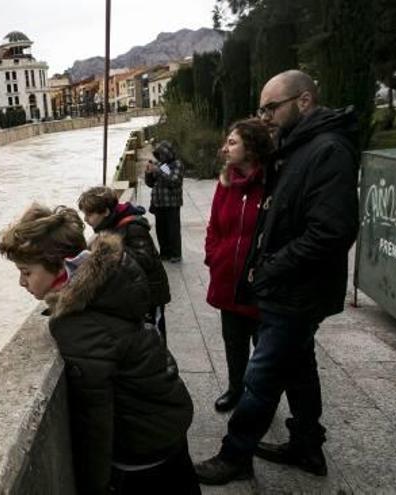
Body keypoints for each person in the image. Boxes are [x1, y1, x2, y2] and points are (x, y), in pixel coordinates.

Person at [195, 70, 360, 484]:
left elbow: (332, 232)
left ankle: (234, 455)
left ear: (303, 102)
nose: (264, 116)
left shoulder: (328, 150)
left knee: (261, 375)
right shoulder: (296, 147)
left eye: (272, 107)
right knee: (299, 367)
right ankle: (306, 445)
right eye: (261, 108)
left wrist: (269, 268)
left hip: (298, 289)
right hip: (289, 286)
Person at [0, 204, 198, 494]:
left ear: (61, 266)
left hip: (142, 451)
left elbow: (94, 421)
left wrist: (94, 485)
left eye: (26, 272)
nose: (21, 282)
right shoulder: (110, 279)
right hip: (166, 424)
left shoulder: (77, 327)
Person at [204, 118, 272, 413]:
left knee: (266, 348)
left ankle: (259, 397)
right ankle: (235, 388)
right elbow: (214, 226)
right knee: (233, 342)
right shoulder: (226, 183)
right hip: (228, 280)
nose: (224, 148)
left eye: (232, 143)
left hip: (261, 284)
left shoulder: (273, 183)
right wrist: (214, 256)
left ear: (252, 147)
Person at [78, 186, 172, 344]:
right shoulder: (111, 226)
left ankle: (164, 365)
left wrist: (112, 249)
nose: (86, 219)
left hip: (152, 295)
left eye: (89, 214)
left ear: (106, 212)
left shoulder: (132, 227)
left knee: (156, 335)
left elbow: (145, 260)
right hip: (137, 294)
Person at [144, 141, 184, 262]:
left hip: (172, 203)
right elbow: (150, 184)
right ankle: (164, 253)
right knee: (161, 230)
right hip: (158, 203)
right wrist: (148, 173)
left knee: (173, 230)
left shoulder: (177, 164)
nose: (160, 157)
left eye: (161, 155)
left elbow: (174, 180)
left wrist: (158, 170)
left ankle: (176, 254)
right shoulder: (160, 164)